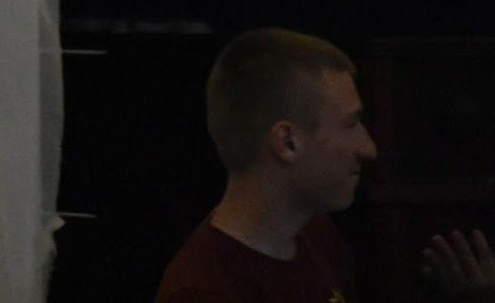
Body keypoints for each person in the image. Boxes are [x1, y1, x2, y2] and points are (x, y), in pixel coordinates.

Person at [155, 27, 376, 302]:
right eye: (350, 124)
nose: (369, 149)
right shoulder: (204, 291)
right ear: (287, 142)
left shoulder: (318, 236)